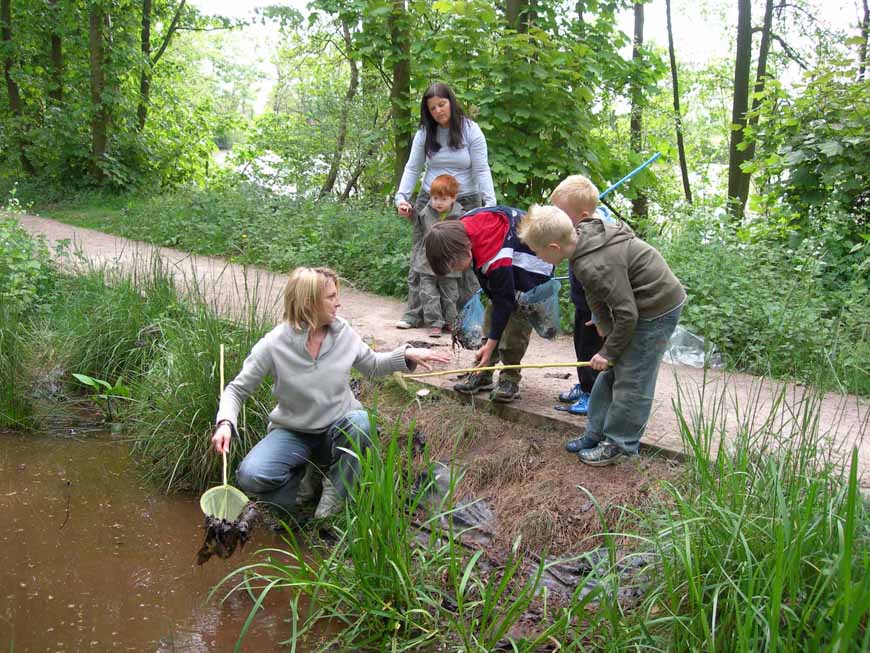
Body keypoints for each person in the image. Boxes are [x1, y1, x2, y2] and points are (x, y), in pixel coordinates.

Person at [211, 267, 449, 519]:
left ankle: (336, 492)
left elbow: (374, 365)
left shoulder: (343, 333)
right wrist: (225, 422)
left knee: (361, 422)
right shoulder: (273, 344)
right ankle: (301, 489)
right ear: (308, 302)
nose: (339, 303)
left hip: (337, 429)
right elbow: (236, 390)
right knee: (251, 475)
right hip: (293, 433)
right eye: (331, 297)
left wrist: (407, 354)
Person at [518, 205, 685, 466]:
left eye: (537, 252)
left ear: (553, 248)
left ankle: (621, 444)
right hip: (636, 306)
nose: (537, 257)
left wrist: (608, 352)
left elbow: (627, 314)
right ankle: (596, 433)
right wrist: (604, 325)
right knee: (609, 374)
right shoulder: (581, 243)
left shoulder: (595, 263)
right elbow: (593, 293)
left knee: (632, 378)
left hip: (657, 307)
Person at [424, 205, 554, 403]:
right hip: (509, 252)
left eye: (452, 267)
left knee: (516, 321)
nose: (454, 271)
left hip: (532, 265)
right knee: (493, 311)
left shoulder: (494, 256)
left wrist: (493, 341)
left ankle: (510, 377)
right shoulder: (463, 228)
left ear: (465, 250)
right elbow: (495, 293)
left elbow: (506, 302)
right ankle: (484, 371)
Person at [394, 81, 495, 330]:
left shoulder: (471, 131)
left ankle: (465, 315)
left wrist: (490, 204)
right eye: (432, 108)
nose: (438, 111)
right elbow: (413, 167)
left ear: (451, 102)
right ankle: (415, 313)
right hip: (430, 200)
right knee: (423, 252)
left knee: (466, 257)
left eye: (442, 104)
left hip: (466, 200)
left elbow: (482, 169)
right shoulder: (424, 134)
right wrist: (401, 197)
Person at [548, 175, 613, 416]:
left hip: (595, 309)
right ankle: (585, 384)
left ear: (583, 216)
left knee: (591, 349)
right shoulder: (575, 231)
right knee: (580, 346)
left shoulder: (595, 238)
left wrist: (599, 313)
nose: (556, 216)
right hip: (582, 303)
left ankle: (593, 394)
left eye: (561, 212)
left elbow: (602, 280)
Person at [402, 174, 465, 338]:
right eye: (435, 198)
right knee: (429, 294)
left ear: (453, 198)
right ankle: (435, 323)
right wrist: (410, 213)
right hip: (426, 263)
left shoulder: (461, 215)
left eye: (443, 199)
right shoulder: (426, 211)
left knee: (450, 295)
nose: (438, 202)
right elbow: (417, 222)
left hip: (450, 265)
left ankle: (450, 322)